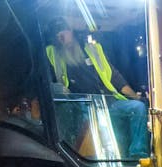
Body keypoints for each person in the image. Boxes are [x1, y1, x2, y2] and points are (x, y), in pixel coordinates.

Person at [45, 18, 150, 159]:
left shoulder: (94, 50)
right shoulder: (52, 54)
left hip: (110, 103)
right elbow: (48, 79)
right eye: (56, 33)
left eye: (63, 30)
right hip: (84, 107)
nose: (60, 35)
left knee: (137, 107)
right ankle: (102, 157)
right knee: (97, 123)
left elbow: (115, 77)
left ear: (71, 31)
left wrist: (137, 97)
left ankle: (138, 154)